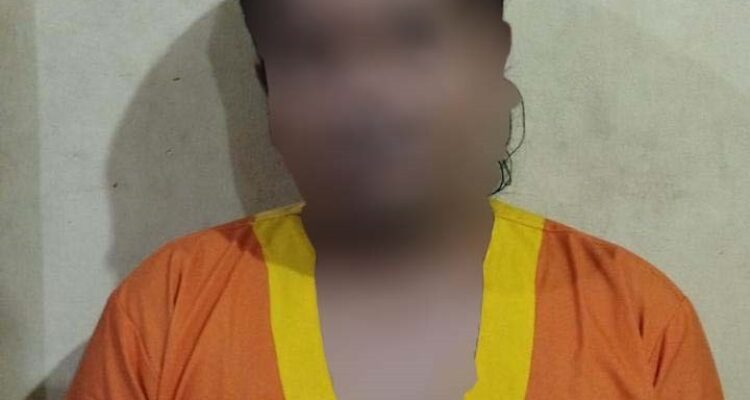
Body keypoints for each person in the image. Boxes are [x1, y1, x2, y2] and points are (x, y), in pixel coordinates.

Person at [64, 0, 725, 399]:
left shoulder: (636, 320)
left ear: (491, 60)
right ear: (268, 90)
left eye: (414, 43)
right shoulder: (165, 313)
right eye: (312, 57)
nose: (367, 103)